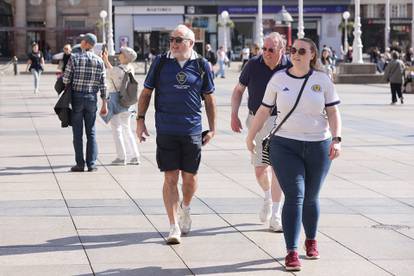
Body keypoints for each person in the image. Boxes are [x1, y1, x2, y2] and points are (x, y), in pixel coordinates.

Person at [246, 38, 342, 271]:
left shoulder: (322, 80)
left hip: (319, 145)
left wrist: (337, 139)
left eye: (301, 51)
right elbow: (263, 110)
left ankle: (311, 240)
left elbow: (333, 111)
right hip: (285, 145)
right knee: (295, 195)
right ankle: (291, 251)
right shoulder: (278, 79)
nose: (296, 54)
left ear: (312, 55)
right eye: (293, 50)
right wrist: (251, 135)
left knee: (311, 196)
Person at [136, 25, 216, 244]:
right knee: (170, 177)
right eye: (171, 39)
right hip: (166, 129)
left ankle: (186, 208)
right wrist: (140, 121)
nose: (173, 43)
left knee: (189, 178)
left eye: (178, 40)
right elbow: (146, 93)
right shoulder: (161, 63)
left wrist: (213, 128)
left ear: (190, 43)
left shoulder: (201, 65)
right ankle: (173, 226)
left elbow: (209, 98)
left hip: (191, 130)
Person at [231, 32, 290, 232]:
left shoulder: (290, 67)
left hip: (282, 122)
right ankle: (267, 195)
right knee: (260, 168)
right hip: (256, 120)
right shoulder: (253, 65)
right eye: (263, 49)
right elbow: (238, 90)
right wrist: (234, 114)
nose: (265, 53)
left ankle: (276, 214)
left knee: (278, 168)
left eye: (270, 50)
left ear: (281, 50)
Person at [63, 33, 108, 172]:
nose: (81, 42)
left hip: (77, 98)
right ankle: (92, 164)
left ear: (87, 43)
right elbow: (103, 84)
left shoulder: (74, 58)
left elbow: (66, 80)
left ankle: (80, 164)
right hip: (91, 99)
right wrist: (104, 104)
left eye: (83, 40)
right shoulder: (99, 61)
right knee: (91, 132)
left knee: (77, 133)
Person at [101, 46, 141, 166]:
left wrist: (105, 60)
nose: (119, 54)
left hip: (116, 101)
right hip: (127, 102)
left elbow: (109, 75)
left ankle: (121, 157)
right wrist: (107, 60)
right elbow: (114, 71)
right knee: (127, 129)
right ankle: (135, 156)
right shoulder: (131, 69)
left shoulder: (117, 70)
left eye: (121, 53)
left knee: (117, 130)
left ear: (125, 56)